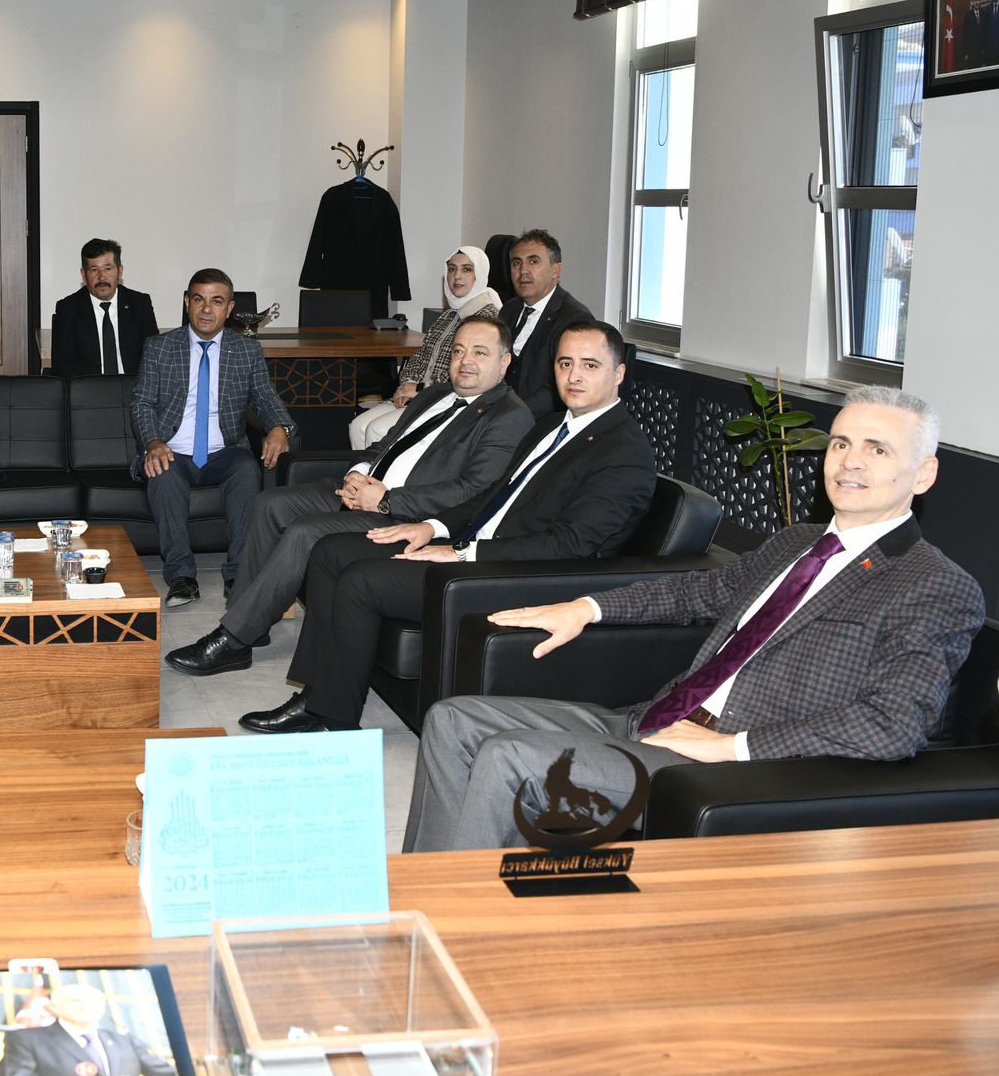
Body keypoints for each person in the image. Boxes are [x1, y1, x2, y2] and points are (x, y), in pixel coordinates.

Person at [407, 386, 985, 852]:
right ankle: (424, 902)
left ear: (923, 474)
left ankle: (457, 925)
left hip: (730, 766)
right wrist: (587, 607)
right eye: (841, 443)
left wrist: (734, 747)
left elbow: (891, 726)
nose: (850, 462)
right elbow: (697, 591)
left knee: (511, 756)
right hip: (656, 719)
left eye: (878, 450)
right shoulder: (796, 542)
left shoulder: (932, 584)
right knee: (453, 719)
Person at [242, 320, 656, 733]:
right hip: (474, 546)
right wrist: (432, 527)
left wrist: (462, 552)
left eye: (589, 365)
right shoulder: (551, 426)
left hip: (517, 573)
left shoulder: (624, 452)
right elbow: (492, 495)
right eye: (565, 363)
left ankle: (331, 716)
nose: (574, 376)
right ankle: (318, 694)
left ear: (618, 373)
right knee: (330, 552)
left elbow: (569, 545)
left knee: (361, 580)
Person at [165, 316, 530, 676]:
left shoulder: (508, 416)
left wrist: (386, 499)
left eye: (480, 352)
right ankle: (251, 622)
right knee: (270, 503)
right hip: (366, 488)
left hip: (405, 515)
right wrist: (359, 472)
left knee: (305, 531)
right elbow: (385, 444)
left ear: (504, 362)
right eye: (459, 351)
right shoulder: (435, 394)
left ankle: (233, 640)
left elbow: (472, 490)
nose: (465, 361)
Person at [129, 268, 297, 608]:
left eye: (216, 301)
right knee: (162, 472)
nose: (206, 309)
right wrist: (153, 443)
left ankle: (239, 574)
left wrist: (280, 427)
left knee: (247, 468)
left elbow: (266, 399)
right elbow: (141, 403)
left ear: (229, 308)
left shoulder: (246, 350)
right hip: (172, 450)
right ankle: (181, 577)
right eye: (199, 299)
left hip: (224, 452)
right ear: (187, 302)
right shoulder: (160, 347)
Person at [349, 245, 505, 448]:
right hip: (419, 395)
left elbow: (466, 374)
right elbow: (420, 358)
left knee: (376, 430)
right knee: (358, 425)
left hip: (446, 401)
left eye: (466, 269)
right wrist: (406, 385)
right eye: (451, 269)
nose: (457, 276)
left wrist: (420, 390)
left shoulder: (486, 320)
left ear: (480, 275)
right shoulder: (448, 315)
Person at [0, 982, 178, 1076]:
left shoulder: (124, 1040)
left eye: (92, 1001)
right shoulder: (26, 1038)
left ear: (102, 1008)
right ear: (53, 1007)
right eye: (75, 1001)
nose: (84, 1005)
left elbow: (167, 1075)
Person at [500, 229, 592, 419]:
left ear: (556, 270)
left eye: (533, 261)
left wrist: (511, 416)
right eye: (516, 263)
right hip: (499, 414)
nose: (523, 271)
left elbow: (561, 387)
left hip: (540, 422)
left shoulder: (574, 318)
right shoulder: (509, 309)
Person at [48, 238, 160, 378]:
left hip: (133, 386)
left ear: (120, 271)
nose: (102, 277)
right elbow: (62, 367)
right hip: (89, 388)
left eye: (108, 269)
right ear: (83, 274)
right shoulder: (68, 309)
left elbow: (154, 357)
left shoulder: (139, 304)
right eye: (94, 270)